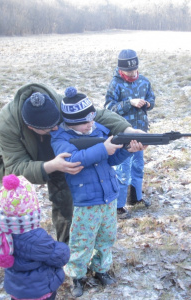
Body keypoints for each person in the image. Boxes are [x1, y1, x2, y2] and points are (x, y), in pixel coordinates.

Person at [0, 83, 143, 244]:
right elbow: (15, 167)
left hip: (63, 154)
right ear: (30, 127)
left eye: (58, 122)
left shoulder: (58, 104)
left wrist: (128, 131)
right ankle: (34, 250)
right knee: (19, 212)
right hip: (14, 166)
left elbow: (96, 115)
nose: (57, 128)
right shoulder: (7, 123)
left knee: (64, 199)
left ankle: (71, 246)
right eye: (50, 128)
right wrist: (51, 166)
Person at [50, 87, 145, 297]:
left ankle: (101, 269)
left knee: (106, 237)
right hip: (85, 200)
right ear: (70, 122)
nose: (90, 124)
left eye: (92, 118)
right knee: (82, 241)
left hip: (108, 196)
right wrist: (103, 148)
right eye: (85, 122)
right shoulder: (60, 139)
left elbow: (111, 159)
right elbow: (73, 159)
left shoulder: (99, 130)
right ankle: (77, 276)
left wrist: (128, 151)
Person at [0, 174, 70, 300]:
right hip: (39, 292)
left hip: (16, 291)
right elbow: (60, 256)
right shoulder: (36, 238)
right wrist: (62, 247)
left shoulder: (5, 230)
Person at [105, 49, 156, 219]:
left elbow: (152, 98)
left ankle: (135, 198)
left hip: (141, 131)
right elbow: (108, 108)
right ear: (121, 70)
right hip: (123, 134)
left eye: (135, 70)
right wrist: (129, 103)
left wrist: (148, 104)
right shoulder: (115, 84)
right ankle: (118, 206)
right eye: (128, 71)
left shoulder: (144, 81)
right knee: (122, 168)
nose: (132, 73)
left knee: (138, 166)